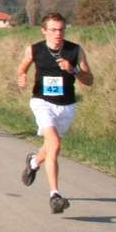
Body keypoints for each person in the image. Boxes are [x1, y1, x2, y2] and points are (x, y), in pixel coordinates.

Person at [16, 12, 94, 214]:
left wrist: (73, 70)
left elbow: (89, 80)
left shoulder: (75, 50)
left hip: (66, 106)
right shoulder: (35, 49)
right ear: (44, 31)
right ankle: (55, 196)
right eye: (53, 30)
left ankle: (33, 162)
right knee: (55, 144)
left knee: (50, 146)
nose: (58, 34)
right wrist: (22, 77)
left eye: (61, 29)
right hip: (42, 102)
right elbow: (22, 68)